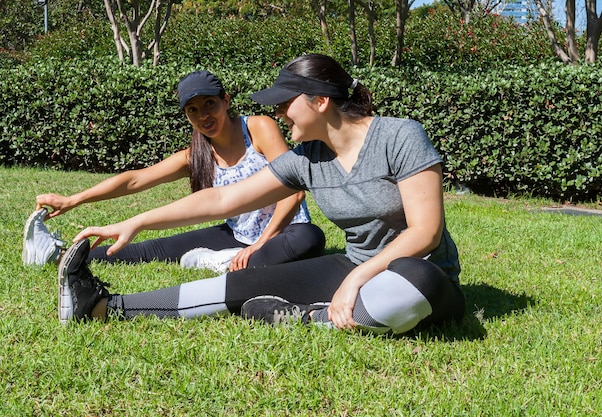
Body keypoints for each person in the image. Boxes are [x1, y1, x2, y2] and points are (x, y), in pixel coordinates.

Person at [57, 54, 465, 333]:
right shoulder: (307, 158)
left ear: (321, 101)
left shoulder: (400, 136)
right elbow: (221, 200)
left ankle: (314, 319)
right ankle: (102, 307)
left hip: (420, 275)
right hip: (355, 266)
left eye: (287, 104)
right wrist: (136, 221)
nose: (280, 114)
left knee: (414, 281)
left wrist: (355, 280)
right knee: (247, 284)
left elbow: (425, 232)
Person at [23, 70, 325, 273]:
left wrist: (260, 244)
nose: (204, 115)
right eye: (193, 110)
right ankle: (57, 255)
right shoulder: (196, 155)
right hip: (238, 236)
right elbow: (135, 179)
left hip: (287, 232)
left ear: (226, 101)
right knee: (151, 248)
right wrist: (73, 199)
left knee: (311, 239)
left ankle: (228, 263)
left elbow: (294, 189)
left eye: (210, 104)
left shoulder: (258, 127)